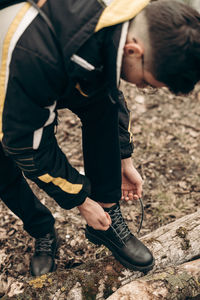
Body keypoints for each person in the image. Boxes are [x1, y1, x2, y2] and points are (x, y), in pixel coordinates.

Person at [0, 0, 199, 277]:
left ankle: (107, 216)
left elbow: (109, 93)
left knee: (101, 101)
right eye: (146, 83)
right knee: (4, 164)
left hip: (44, 58)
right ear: (133, 50)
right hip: (13, 69)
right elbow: (26, 145)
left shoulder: (118, 19)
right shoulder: (39, 58)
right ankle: (41, 228)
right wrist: (81, 199)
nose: (140, 87)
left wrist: (123, 157)